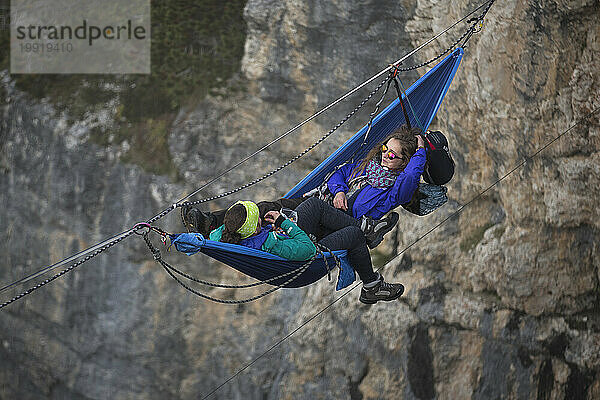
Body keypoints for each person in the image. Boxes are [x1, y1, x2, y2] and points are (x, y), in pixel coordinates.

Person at [184, 125, 426, 248]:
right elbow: (338, 173)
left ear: (404, 162)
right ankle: (211, 223)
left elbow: (410, 179)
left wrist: (420, 152)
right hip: (321, 198)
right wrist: (340, 189)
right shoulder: (367, 167)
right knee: (269, 206)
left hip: (331, 222)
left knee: (275, 219)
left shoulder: (394, 190)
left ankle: (232, 241)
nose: (385, 156)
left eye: (393, 156)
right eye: (385, 149)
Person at [211, 198, 405, 304]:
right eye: (257, 218)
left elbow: (215, 235)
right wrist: (282, 222)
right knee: (353, 235)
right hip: (304, 261)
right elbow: (308, 249)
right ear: (254, 229)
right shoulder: (270, 243)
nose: (260, 217)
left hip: (289, 243)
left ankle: (367, 229)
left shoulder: (225, 236)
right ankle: (372, 286)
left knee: (313, 205)